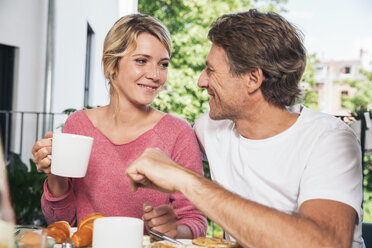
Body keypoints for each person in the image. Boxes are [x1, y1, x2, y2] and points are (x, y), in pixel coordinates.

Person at [126, 9, 364, 248]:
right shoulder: (211, 127)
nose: (201, 81)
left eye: (211, 70)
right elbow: (166, 145)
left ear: (252, 79)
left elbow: (326, 243)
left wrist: (188, 181)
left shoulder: (329, 140)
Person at [31, 14, 207, 239]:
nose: (155, 75)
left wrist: (174, 230)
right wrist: (56, 172)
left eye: (163, 64)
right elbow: (63, 223)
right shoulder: (78, 124)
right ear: (112, 64)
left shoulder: (178, 133)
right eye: (142, 61)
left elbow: (194, 220)